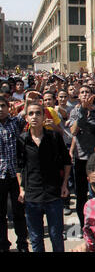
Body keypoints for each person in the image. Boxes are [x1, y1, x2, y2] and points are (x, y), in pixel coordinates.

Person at [16, 102, 72, 252]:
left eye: (38, 113)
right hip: (32, 196)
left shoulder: (54, 137)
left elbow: (67, 162)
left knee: (56, 236)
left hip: (53, 194)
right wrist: (21, 188)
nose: (35, 116)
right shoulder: (22, 140)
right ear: (26, 118)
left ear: (43, 116)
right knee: (35, 238)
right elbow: (19, 166)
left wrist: (65, 184)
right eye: (31, 114)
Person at [68, 85, 95, 231]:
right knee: (81, 195)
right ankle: (84, 226)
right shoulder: (75, 112)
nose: (84, 94)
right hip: (80, 158)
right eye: (82, 92)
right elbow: (74, 131)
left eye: (87, 92)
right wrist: (83, 110)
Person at [0, 95, 29, 252]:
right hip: (0, 176)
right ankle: (3, 244)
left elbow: (25, 112)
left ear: (8, 107)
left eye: (3, 106)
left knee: (18, 212)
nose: (0, 109)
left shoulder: (15, 122)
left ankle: (22, 244)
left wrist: (29, 99)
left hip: (16, 174)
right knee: (1, 214)